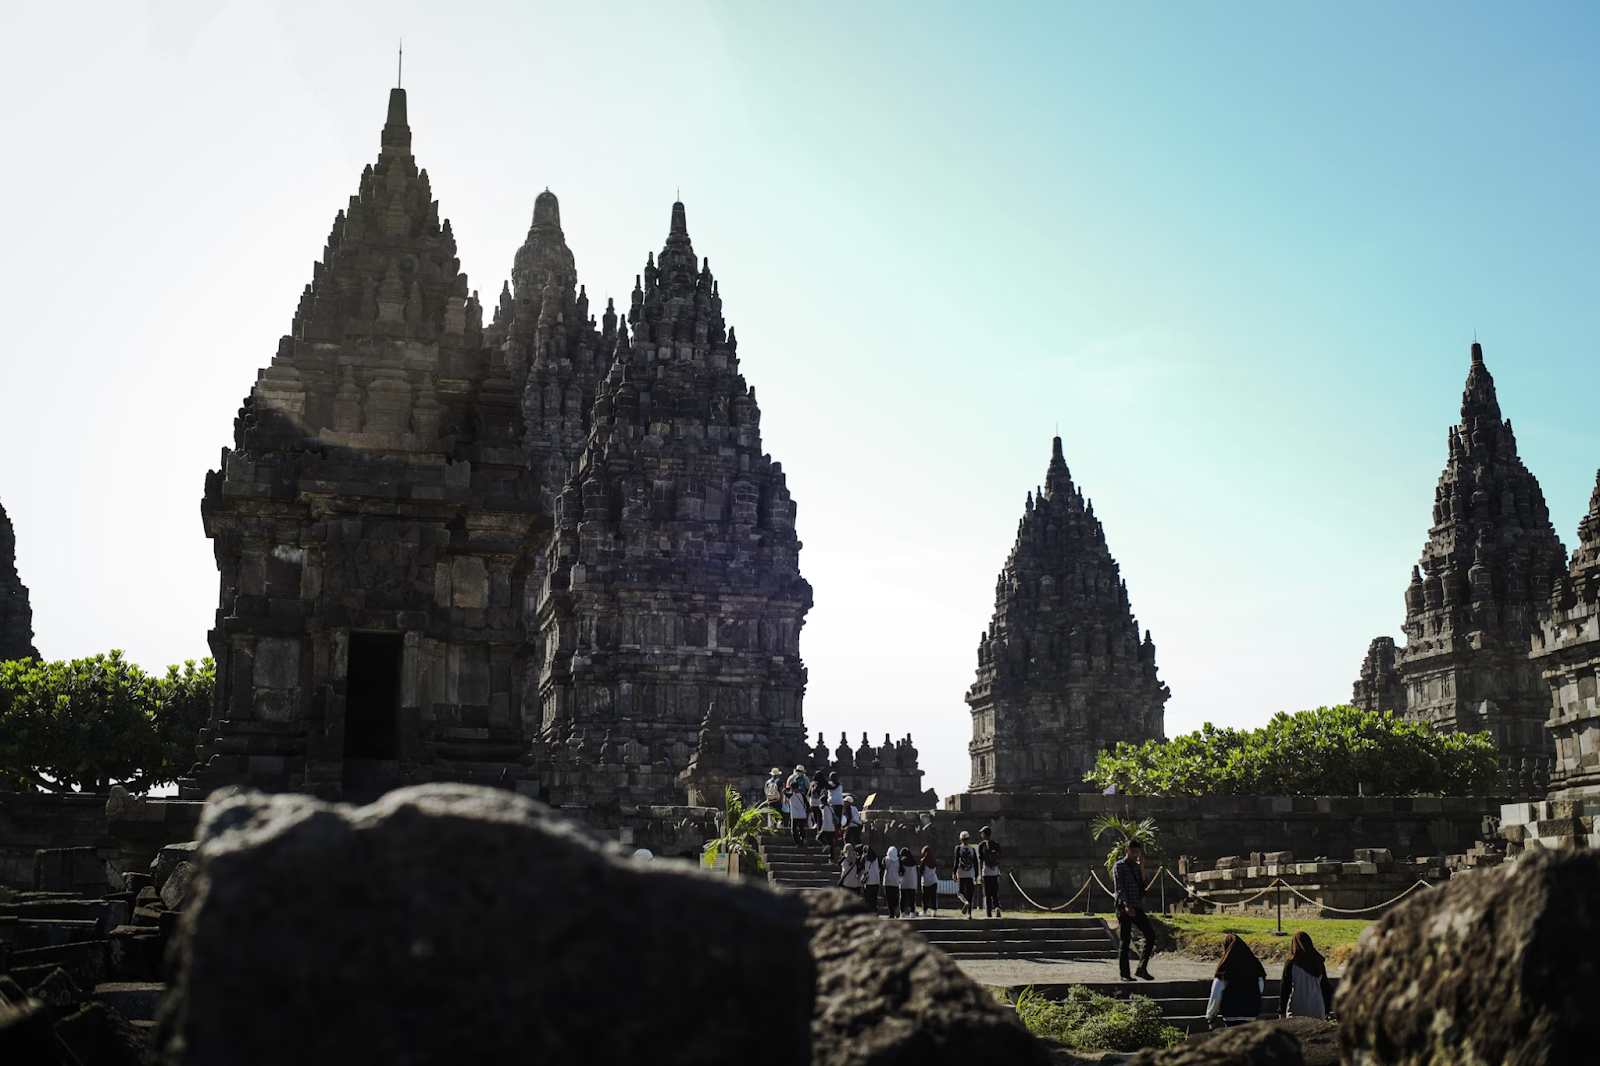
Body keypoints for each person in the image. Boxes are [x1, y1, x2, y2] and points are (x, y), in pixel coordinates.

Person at [1112, 839, 1155, 981]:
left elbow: (1144, 883)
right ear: (1127, 851)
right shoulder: (1119, 866)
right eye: (1133, 852)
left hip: (1137, 906)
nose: (1135, 854)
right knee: (1125, 940)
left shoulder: (1137, 866)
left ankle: (1141, 968)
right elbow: (1119, 888)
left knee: (1150, 935)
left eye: (1137, 852)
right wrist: (1126, 904)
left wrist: (1142, 866)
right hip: (1125, 907)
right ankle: (1124, 974)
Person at [1204, 933, 1266, 1029]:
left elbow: (1216, 994)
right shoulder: (1255, 967)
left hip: (1230, 1015)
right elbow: (1260, 987)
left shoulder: (1224, 969)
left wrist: (1211, 1017)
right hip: (1251, 1014)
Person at [1278, 931, 1335, 1020]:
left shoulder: (1292, 963)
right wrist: (1327, 1008)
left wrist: (1281, 1010)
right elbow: (1325, 987)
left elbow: (1285, 987)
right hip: (1317, 1006)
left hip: (1297, 1007)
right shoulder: (1318, 962)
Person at [978, 825, 1004, 918]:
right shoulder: (996, 844)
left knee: (987, 894)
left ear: (984, 835)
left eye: (982, 833)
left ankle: (988, 912)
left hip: (986, 872)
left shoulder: (982, 845)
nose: (981, 835)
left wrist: (980, 875)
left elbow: (981, 861)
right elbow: (999, 857)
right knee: (995, 892)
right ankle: (997, 907)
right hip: (995, 872)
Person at [953, 831, 979, 918]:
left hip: (961, 873)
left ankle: (965, 902)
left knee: (960, 892)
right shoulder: (972, 849)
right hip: (970, 873)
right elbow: (975, 863)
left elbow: (956, 862)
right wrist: (976, 876)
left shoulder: (958, 848)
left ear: (960, 839)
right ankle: (969, 913)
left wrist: (954, 872)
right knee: (970, 893)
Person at [785, 766, 810, 846]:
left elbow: (785, 790)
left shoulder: (791, 795)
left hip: (794, 814)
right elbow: (808, 788)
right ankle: (803, 839)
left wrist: (789, 789)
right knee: (801, 828)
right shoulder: (802, 795)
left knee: (794, 829)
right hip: (802, 814)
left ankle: (798, 842)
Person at [899, 842, 920, 916]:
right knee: (912, 898)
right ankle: (912, 912)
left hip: (904, 882)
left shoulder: (902, 862)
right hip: (912, 882)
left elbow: (900, 871)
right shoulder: (914, 861)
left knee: (903, 898)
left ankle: (902, 912)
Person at [860, 844, 882, 914]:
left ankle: (869, 911)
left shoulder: (865, 858)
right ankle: (875, 911)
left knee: (868, 898)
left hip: (868, 880)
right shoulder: (876, 858)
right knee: (874, 897)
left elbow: (860, 866)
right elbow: (881, 866)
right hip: (876, 880)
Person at [815, 798, 839, 863]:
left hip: (826, 827)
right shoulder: (831, 807)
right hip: (832, 828)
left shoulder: (824, 808)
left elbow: (821, 810)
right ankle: (831, 858)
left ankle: (825, 845)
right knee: (831, 843)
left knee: (818, 837)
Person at [918, 845, 940, 915]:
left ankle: (924, 911)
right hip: (933, 880)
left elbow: (920, 872)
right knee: (933, 896)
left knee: (925, 897)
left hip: (925, 881)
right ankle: (934, 911)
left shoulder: (923, 862)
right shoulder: (934, 860)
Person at [883, 846, 902, 918]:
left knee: (888, 898)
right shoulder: (898, 861)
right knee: (895, 897)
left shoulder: (885, 859)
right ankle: (896, 907)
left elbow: (883, 867)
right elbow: (901, 871)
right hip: (895, 881)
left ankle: (891, 913)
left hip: (887, 881)